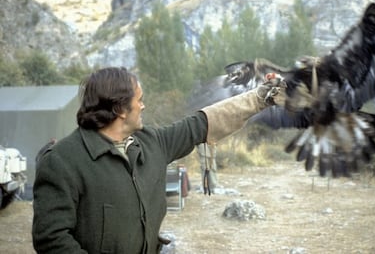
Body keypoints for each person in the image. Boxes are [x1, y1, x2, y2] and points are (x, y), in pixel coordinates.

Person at [32, 67, 282, 253]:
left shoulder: (151, 143)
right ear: (120, 109)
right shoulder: (62, 161)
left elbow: (201, 123)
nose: (144, 106)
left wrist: (260, 98)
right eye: (139, 100)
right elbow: (51, 239)